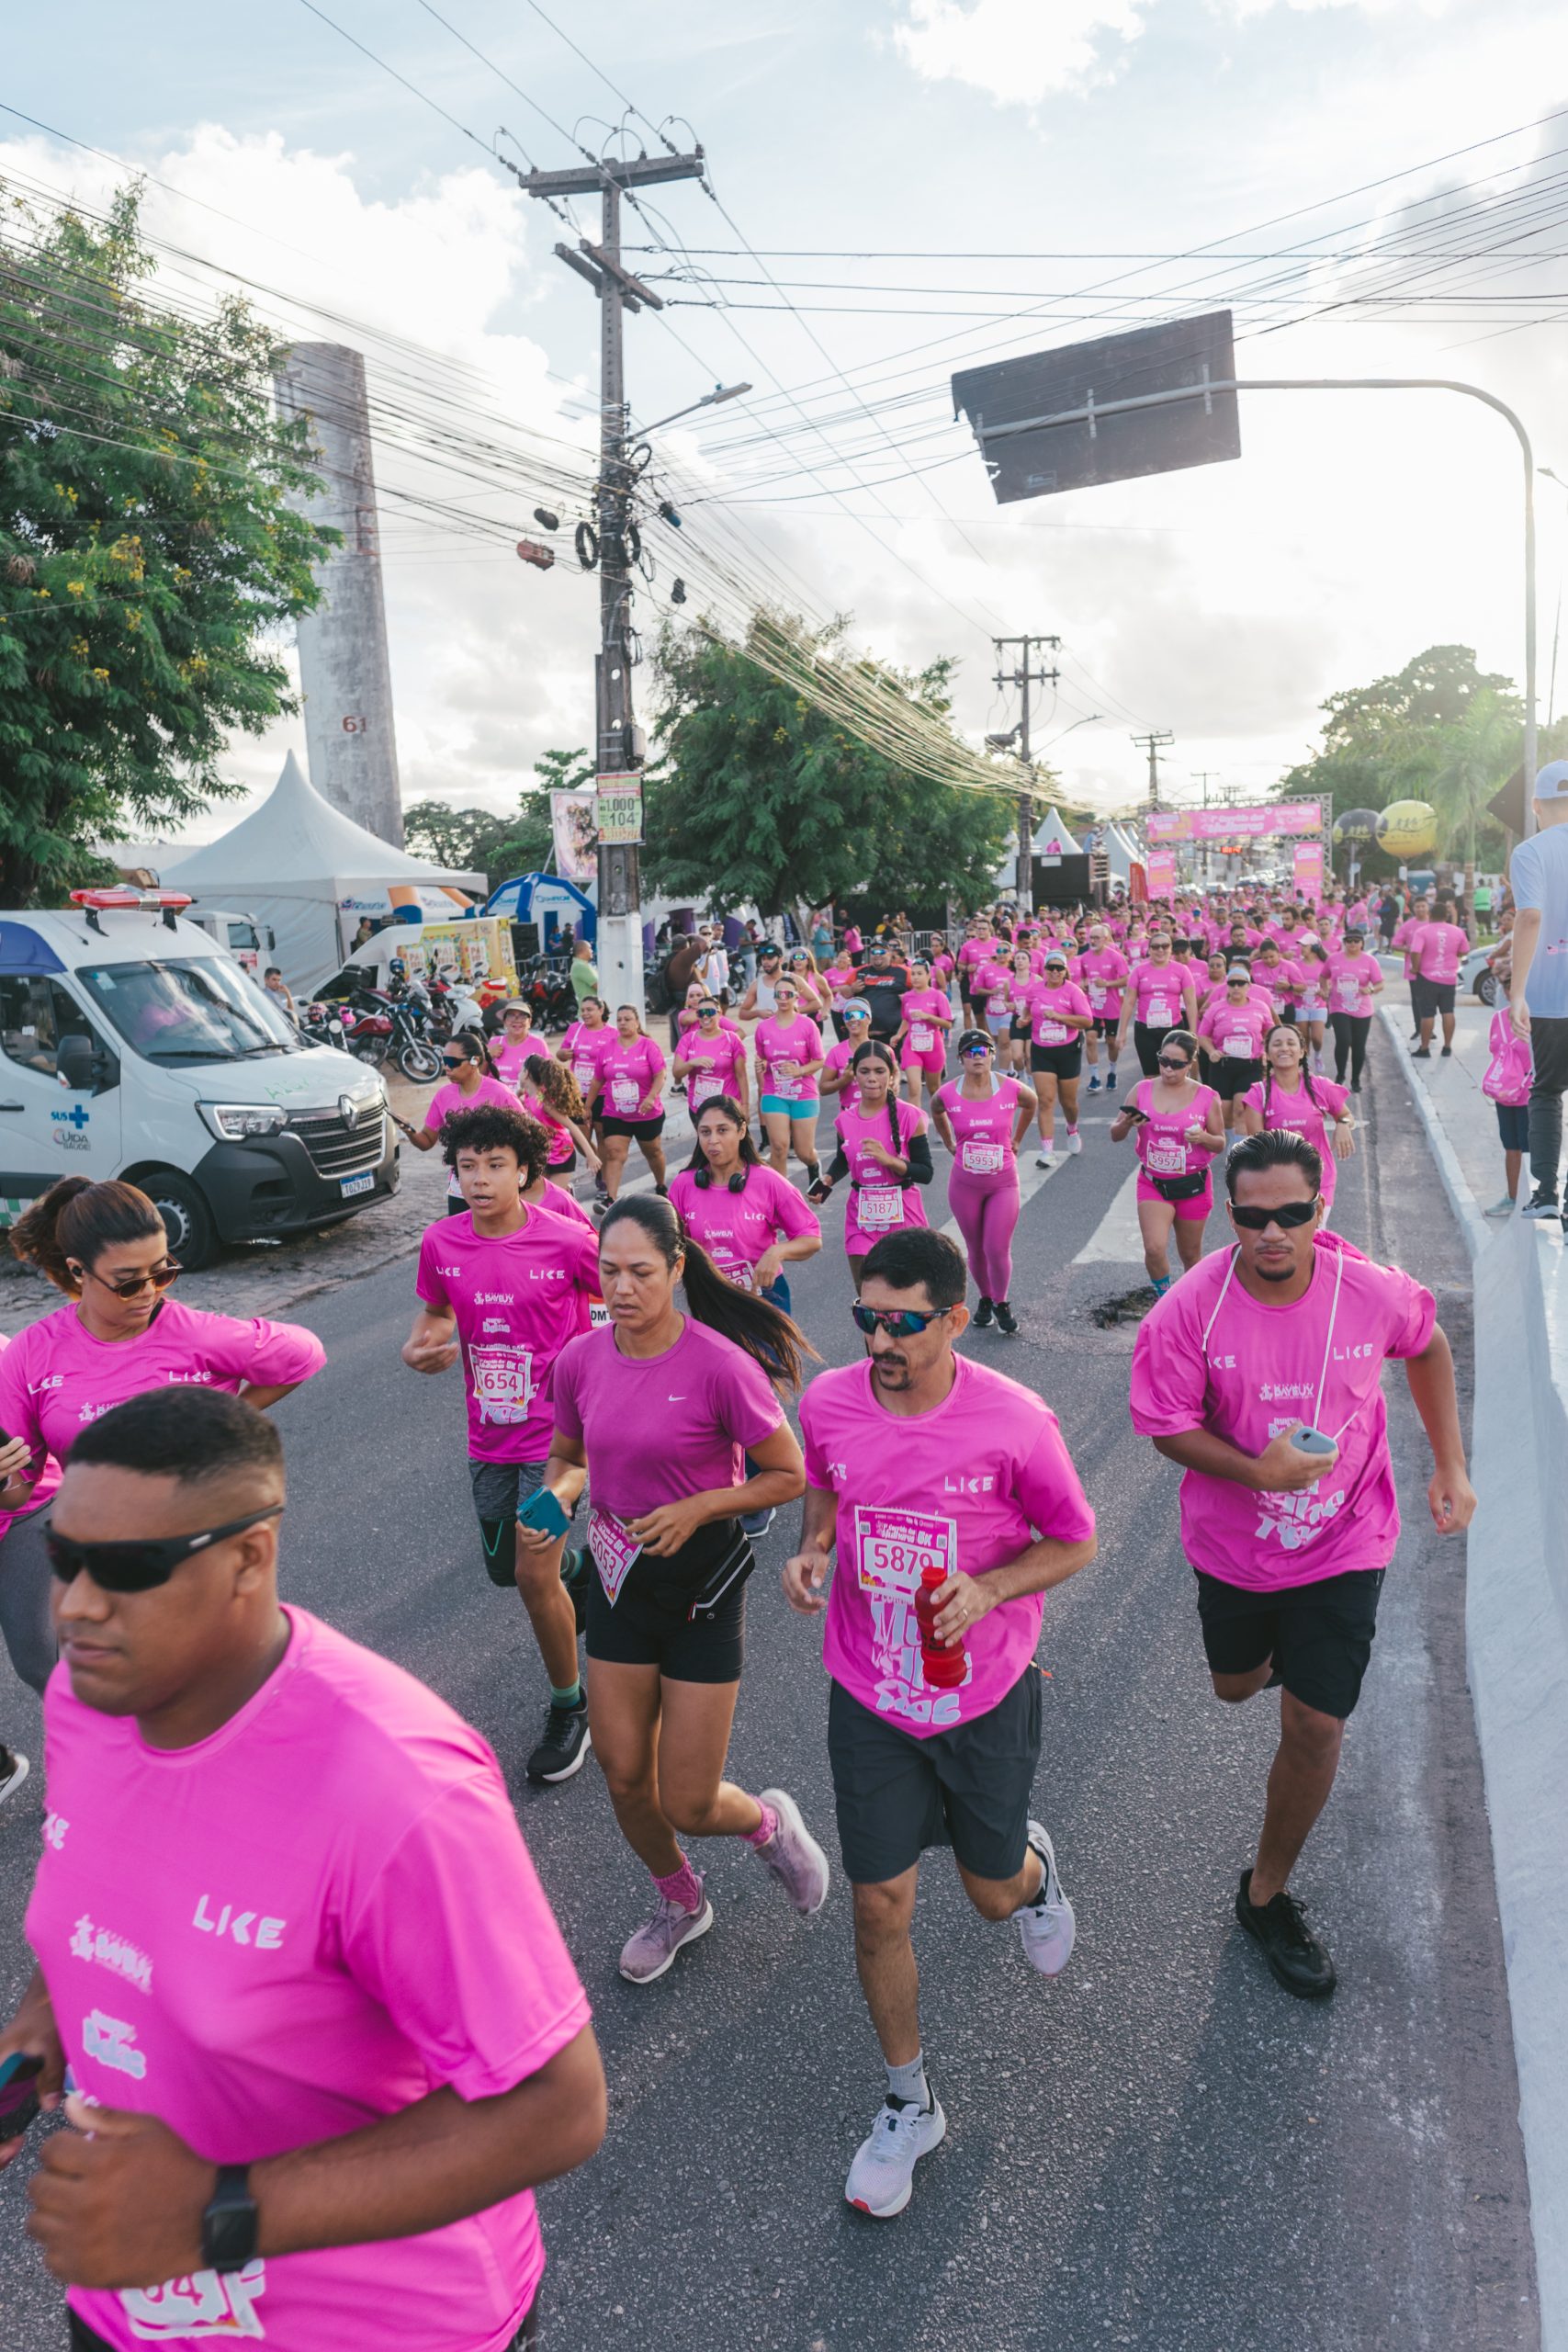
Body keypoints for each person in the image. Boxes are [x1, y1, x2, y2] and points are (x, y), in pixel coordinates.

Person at [0, 1385, 604, 2351]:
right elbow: (108, 1872)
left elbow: (557, 2107)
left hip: (373, 2324)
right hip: (134, 2299)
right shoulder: (89, 1691)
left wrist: (215, 2213)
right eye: (64, 1558)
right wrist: (47, 2011)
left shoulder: (398, 1789)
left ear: (249, 1556)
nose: (73, 1606)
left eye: (128, 1569)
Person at [782, 1227, 1096, 2219]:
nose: (880, 1340)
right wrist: (814, 1547)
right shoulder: (828, 1401)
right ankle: (908, 2103)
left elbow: (1075, 1539)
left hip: (981, 1695)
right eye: (866, 1318)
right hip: (870, 1691)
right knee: (879, 1905)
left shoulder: (1016, 1421)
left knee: (991, 1895)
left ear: (955, 1319)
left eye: (903, 1323)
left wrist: (989, 1588)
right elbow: (825, 1484)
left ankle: (1032, 1871)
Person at [1128, 1129, 1475, 1997]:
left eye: (1292, 1212)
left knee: (1316, 1725)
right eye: (1253, 1217)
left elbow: (1427, 1343)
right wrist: (1257, 1473)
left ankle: (1264, 1895)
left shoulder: (1369, 1290)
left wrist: (1450, 1465)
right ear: (1229, 1215)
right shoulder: (1188, 1311)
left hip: (1348, 1539)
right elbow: (1166, 1426)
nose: (1273, 1232)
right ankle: (1280, 1658)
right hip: (1236, 1548)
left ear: (1322, 1207)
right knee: (1234, 1687)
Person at [538, 1196, 829, 1983]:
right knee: (624, 1773)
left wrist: (699, 1506)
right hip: (619, 1582)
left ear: (675, 1269)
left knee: (689, 1801)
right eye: (608, 1271)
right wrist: (556, 1498)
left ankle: (767, 1826)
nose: (621, 1288)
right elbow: (567, 1457)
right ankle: (680, 1901)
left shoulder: (719, 1366)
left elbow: (788, 1474)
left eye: (640, 1272)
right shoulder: (579, 1360)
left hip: (702, 1587)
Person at [0, 1177, 322, 1699]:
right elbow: (19, 1493)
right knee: (100, 1688)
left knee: (216, 1688)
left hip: (199, 1551)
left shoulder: (192, 1332)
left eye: (163, 1271)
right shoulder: (32, 1354)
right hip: (103, 1562)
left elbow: (303, 1354)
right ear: (79, 1272)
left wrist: (225, 1415)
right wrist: (1, 1479)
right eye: (128, 1282)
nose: (150, 1293)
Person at [404, 1104, 600, 1785]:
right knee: (502, 1568)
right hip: (488, 1438)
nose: (480, 1179)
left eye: (495, 1166)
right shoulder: (441, 1243)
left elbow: (628, 1299)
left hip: (559, 1444)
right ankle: (585, 1575)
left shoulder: (568, 1241)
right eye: (468, 1167)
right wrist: (419, 1348)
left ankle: (570, 1708)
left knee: (531, 1573)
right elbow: (434, 1316)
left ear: (524, 1171)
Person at [667, 1096, 822, 1316]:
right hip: (709, 1298)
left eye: (722, 1130)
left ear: (741, 1131)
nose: (713, 1140)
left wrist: (777, 1252)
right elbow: (668, 1243)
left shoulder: (769, 1182)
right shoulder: (684, 1184)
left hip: (764, 1299)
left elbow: (811, 1238)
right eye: (705, 1132)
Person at [931, 1031, 1036, 1336]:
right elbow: (936, 1110)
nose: (977, 1056)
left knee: (996, 1247)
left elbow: (1032, 1103)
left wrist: (1017, 1139)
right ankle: (986, 1299)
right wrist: (949, 1142)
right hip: (965, 1185)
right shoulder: (948, 1093)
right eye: (970, 1051)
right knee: (975, 1248)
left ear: (992, 1055)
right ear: (960, 1058)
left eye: (983, 1051)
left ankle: (1002, 1302)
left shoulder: (1011, 1088)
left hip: (1003, 1184)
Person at [810, 1042, 934, 1295]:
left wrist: (890, 1161)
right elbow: (843, 1158)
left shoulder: (910, 1116)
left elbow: (926, 1173)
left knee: (906, 1296)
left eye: (879, 1071)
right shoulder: (844, 1120)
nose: (872, 1078)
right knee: (867, 1296)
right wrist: (827, 1180)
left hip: (904, 1216)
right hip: (861, 1218)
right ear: (854, 1074)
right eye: (864, 1071)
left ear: (892, 1073)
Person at [1109, 1030, 1224, 1295]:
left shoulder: (1206, 1096)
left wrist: (1203, 1137)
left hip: (1193, 1185)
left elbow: (1220, 1142)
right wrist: (1126, 1124)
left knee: (1190, 1254)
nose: (1168, 1069)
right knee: (1154, 1247)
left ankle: (1192, 1301)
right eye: (1163, 1060)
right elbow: (1115, 1134)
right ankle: (1164, 1297)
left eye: (1177, 1064)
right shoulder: (1142, 1090)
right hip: (1154, 1182)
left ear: (1190, 1063)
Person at [1506, 760, 1568, 1220]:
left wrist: (1517, 992)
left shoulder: (1530, 852)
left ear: (1536, 804)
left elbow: (1529, 917)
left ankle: (1547, 1195)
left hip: (1549, 1000)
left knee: (1547, 1092)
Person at [392, 1030, 523, 1211]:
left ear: (475, 1061)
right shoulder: (443, 1096)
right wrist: (408, 1130)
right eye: (444, 1061)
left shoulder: (500, 1094)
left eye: (452, 1062)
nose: (447, 1067)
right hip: (460, 1189)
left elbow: (525, 1138)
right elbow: (426, 1142)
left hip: (495, 1187)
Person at [1238, 1025, 1355, 1217]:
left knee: (1314, 1233)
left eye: (1291, 1043)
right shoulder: (1258, 1094)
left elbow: (1347, 1115)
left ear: (1302, 1052)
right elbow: (1257, 1146)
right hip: (1277, 1184)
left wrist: (1343, 1123)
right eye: (1277, 1044)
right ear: (1267, 1054)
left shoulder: (1320, 1086)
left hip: (1319, 1179)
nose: (1284, 1048)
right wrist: (1284, 1142)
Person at [752, 976, 827, 1185]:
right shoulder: (763, 1028)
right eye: (779, 994)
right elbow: (762, 1058)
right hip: (774, 1093)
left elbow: (820, 1060)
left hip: (803, 1093)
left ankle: (813, 1164)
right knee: (779, 1146)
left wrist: (799, 1071)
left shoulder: (807, 1025)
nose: (783, 998)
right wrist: (761, 1065)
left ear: (796, 996)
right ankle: (782, 1192)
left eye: (788, 994)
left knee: (804, 1151)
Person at [1022, 948, 1093, 1165]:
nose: (1054, 972)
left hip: (1067, 1050)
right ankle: (1047, 1151)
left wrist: (1060, 1017)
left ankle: (1072, 1129)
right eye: (1050, 967)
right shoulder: (1034, 989)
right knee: (1045, 1101)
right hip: (1042, 1050)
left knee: (1068, 1102)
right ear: (1044, 969)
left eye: (1059, 968)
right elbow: (1027, 1009)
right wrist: (1024, 1020)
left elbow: (1087, 1021)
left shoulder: (1073, 991)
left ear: (1065, 970)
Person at [595, 1004, 669, 1203]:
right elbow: (597, 1080)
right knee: (614, 1153)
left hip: (646, 1113)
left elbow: (660, 1075)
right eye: (619, 1020)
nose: (622, 1023)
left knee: (653, 1152)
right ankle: (610, 1199)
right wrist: (586, 1107)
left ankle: (661, 1185)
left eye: (627, 1019)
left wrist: (651, 1097)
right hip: (615, 1113)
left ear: (637, 1023)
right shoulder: (607, 1048)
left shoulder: (648, 1046)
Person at [1197, 967, 1271, 1135]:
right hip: (1222, 1065)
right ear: (1227, 986)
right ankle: (1229, 1142)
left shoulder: (1260, 1007)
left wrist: (1266, 1051)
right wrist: (1211, 1051)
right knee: (1224, 1112)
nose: (1236, 987)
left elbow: (1269, 1032)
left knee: (1241, 1109)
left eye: (1241, 983)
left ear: (1248, 986)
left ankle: (1239, 1148)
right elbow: (1203, 1035)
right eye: (1232, 983)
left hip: (1251, 1065)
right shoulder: (1216, 1007)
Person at [1115, 931, 1198, 1079]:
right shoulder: (1139, 971)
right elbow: (1129, 1002)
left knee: (1174, 1075)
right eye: (1155, 946)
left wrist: (1193, 1033)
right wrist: (1121, 1033)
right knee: (1151, 1077)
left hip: (1173, 1030)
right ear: (1149, 949)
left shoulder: (1182, 970)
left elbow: (1190, 1003)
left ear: (1170, 948)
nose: (1160, 950)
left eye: (1165, 946)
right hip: (1145, 1030)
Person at [1482, 1004, 1533, 1216]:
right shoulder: (1500, 1017)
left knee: (1525, 1148)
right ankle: (1515, 1199)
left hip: (1523, 1093)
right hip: (1509, 1092)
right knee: (1513, 1146)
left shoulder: (1536, 1016)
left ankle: (1526, 1200)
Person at [1406, 897, 1468, 1059]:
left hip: (1427, 977)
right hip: (1449, 977)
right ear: (1446, 916)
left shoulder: (1422, 932)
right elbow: (1464, 951)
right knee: (1448, 1011)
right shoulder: (1457, 931)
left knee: (1427, 1014)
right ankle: (1447, 1047)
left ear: (1430, 914)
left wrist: (1415, 968)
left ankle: (1425, 1048)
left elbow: (1415, 952)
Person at [673, 995, 750, 1119]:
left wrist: (745, 1106)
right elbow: (677, 1073)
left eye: (710, 1012)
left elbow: (741, 1075)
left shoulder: (732, 1039)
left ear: (719, 1013)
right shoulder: (688, 1039)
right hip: (699, 1108)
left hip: (727, 1107)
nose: (705, 1016)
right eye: (701, 1013)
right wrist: (691, 1063)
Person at [891, 956, 953, 1107]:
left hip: (933, 1048)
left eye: (919, 974)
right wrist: (899, 1035)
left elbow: (947, 1024)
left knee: (934, 1090)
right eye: (913, 974)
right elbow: (906, 1019)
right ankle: (917, 1122)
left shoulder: (938, 996)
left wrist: (928, 1017)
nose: (916, 977)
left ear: (928, 975)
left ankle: (940, 1119)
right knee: (914, 1089)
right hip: (912, 1048)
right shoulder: (907, 997)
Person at [1079, 922, 1130, 1093]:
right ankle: (1095, 1078)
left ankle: (1112, 1072)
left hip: (1111, 1006)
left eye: (1097, 938)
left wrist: (1107, 983)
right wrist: (1084, 984)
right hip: (1092, 1005)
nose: (1093, 941)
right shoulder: (1084, 957)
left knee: (1111, 1042)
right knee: (1090, 1039)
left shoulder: (1115, 957)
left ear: (1105, 938)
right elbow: (1083, 978)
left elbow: (1127, 979)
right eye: (1091, 938)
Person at [487, 1000, 537, 1091]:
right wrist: (487, 1056)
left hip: (525, 1098)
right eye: (511, 1016)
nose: (516, 1020)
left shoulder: (538, 1044)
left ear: (529, 1022)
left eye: (522, 1016)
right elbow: (479, 1075)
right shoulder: (494, 1042)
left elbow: (548, 1076)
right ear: (504, 1022)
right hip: (495, 1097)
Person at [570, 937, 600, 1011]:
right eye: (590, 948)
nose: (592, 951)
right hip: (589, 1012)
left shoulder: (582, 964)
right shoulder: (580, 965)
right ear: (582, 950)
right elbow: (599, 986)